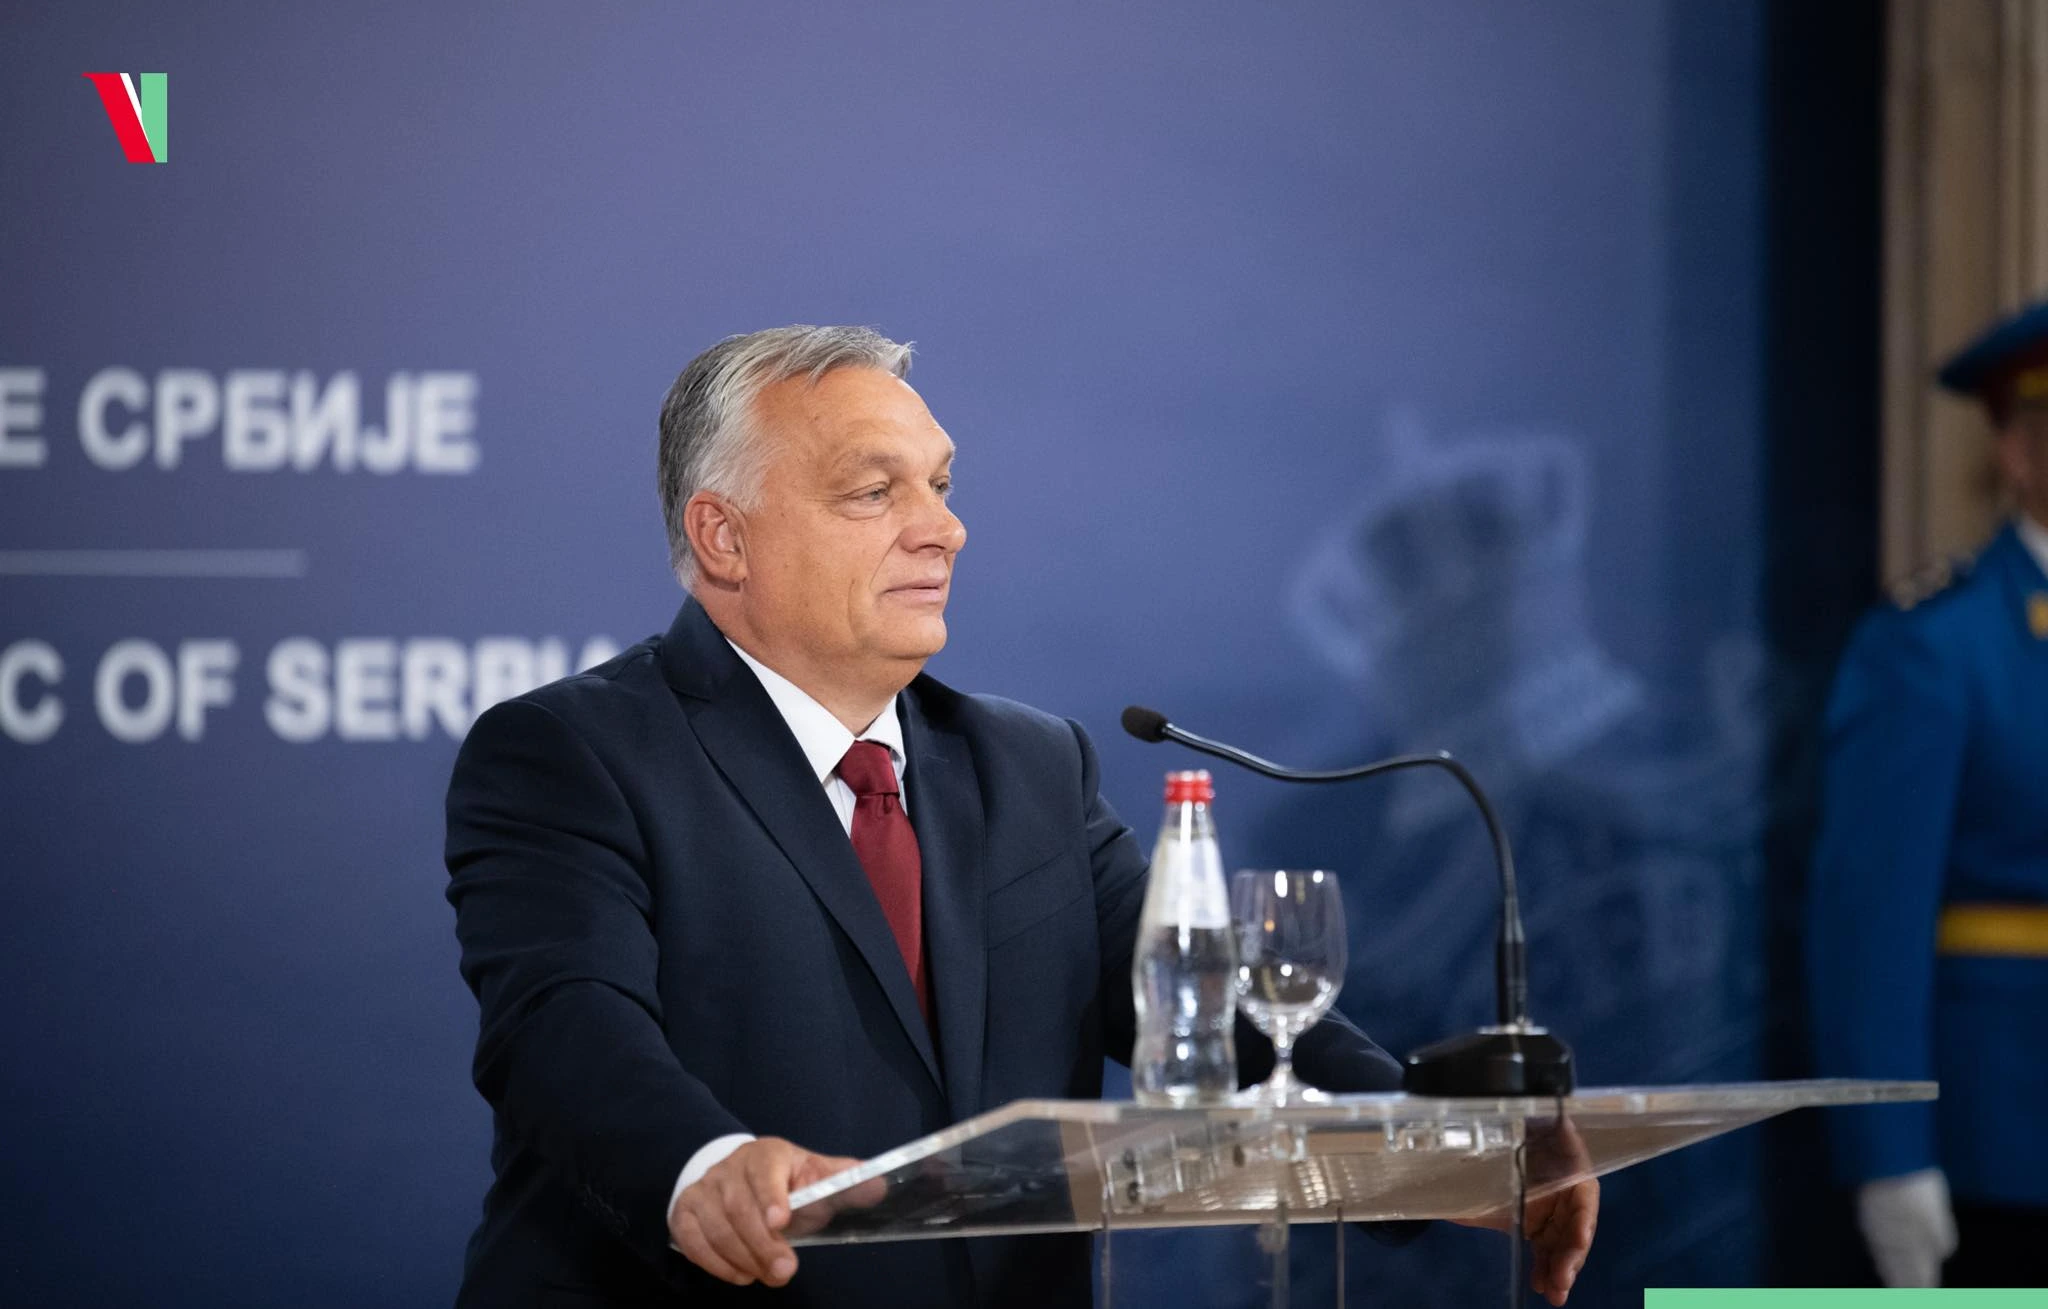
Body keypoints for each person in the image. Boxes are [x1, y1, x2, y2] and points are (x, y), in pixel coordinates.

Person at [444, 325, 1599, 1307]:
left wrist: (1436, 1150)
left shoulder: (1028, 766)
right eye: (873, 492)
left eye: (940, 487)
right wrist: (703, 1167)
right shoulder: (574, 753)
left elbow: (1212, 1004)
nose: (941, 530)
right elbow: (565, 1024)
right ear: (723, 537)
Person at [1808, 299, 2048, 1288]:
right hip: (2010, 1143)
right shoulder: (1934, 645)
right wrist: (1889, 1154)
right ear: (2018, 451)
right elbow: (1872, 921)